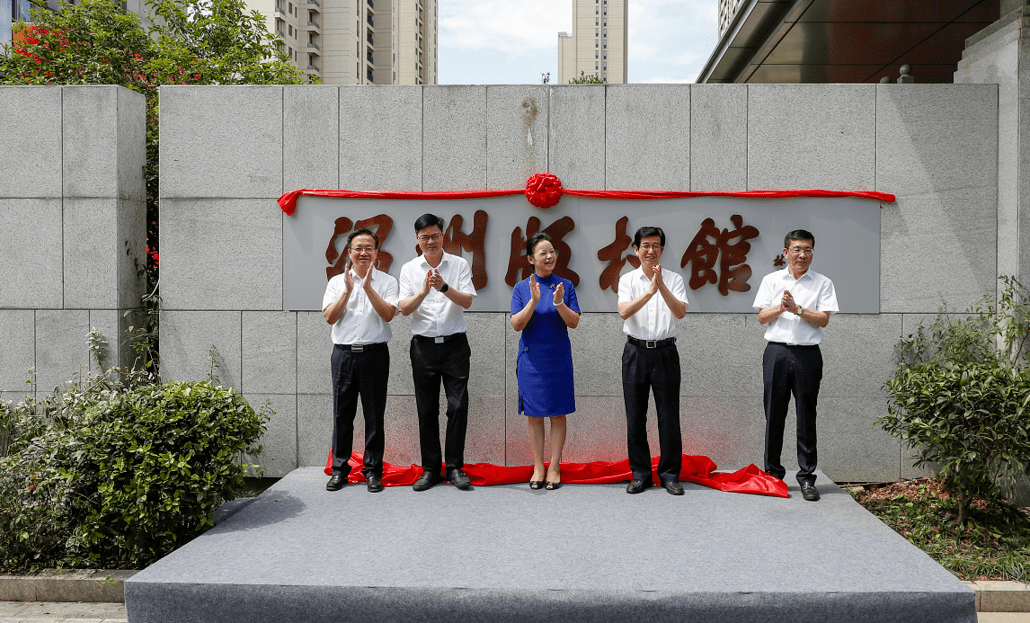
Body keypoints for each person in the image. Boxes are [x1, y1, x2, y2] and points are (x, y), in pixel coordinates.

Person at [753, 229, 838, 502]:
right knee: (773, 415)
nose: (803, 255)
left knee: (806, 416)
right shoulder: (771, 280)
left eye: (808, 249)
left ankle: (806, 478)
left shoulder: (822, 283)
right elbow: (762, 316)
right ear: (786, 252)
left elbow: (824, 319)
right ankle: (773, 476)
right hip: (776, 353)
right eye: (797, 249)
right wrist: (782, 307)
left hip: (807, 355)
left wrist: (798, 309)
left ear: (813, 252)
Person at [398, 214, 476, 491]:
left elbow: (467, 301)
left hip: (455, 345)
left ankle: (455, 467)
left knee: (458, 406)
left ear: (443, 236)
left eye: (435, 236)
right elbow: (404, 308)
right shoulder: (409, 268)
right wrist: (423, 291)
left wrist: (443, 286)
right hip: (423, 348)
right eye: (424, 237)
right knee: (426, 410)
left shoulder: (459, 264)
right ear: (417, 240)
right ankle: (430, 469)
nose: (430, 242)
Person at [322, 228, 398, 493]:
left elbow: (389, 314)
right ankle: (339, 470)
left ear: (377, 253)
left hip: (375, 355)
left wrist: (367, 288)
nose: (363, 253)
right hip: (343, 355)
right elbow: (330, 317)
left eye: (369, 248)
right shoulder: (335, 282)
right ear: (349, 252)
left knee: (374, 415)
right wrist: (348, 290)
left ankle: (373, 471)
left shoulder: (387, 282)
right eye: (358, 248)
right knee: (342, 413)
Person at [617, 227, 689, 495]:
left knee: (668, 416)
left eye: (656, 245)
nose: (651, 250)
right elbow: (624, 311)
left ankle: (670, 474)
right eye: (645, 245)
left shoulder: (674, 278)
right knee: (635, 415)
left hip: (666, 353)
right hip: (635, 352)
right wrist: (649, 291)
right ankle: (640, 474)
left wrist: (662, 287)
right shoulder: (627, 280)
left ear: (662, 249)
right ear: (636, 249)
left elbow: (680, 312)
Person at [510, 232, 580, 490]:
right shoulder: (521, 288)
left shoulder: (566, 285)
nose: (550, 256)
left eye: (552, 251)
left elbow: (574, 322)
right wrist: (534, 301)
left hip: (558, 357)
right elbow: (517, 324)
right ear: (531, 259)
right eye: (543, 253)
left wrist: (559, 302)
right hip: (531, 360)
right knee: (534, 415)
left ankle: (555, 466)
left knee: (558, 414)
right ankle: (538, 465)